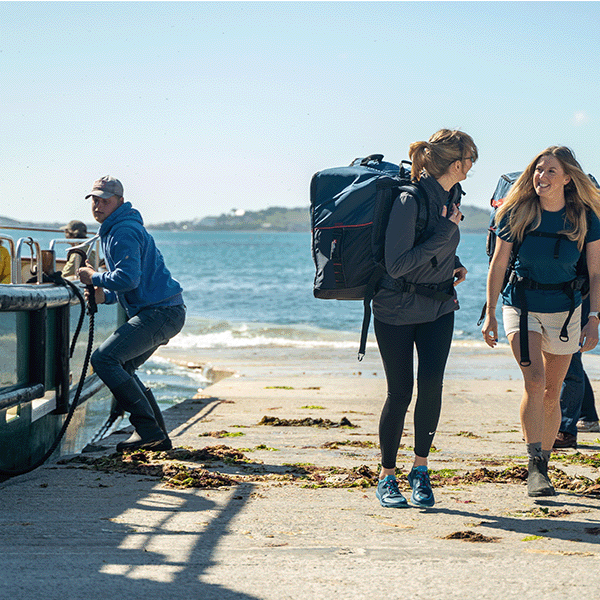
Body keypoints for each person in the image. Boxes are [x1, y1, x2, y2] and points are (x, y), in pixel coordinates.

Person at [482, 146, 600, 497]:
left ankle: (544, 464)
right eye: (537, 170)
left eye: (550, 171)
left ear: (567, 179)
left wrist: (593, 317)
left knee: (553, 392)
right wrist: (490, 312)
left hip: (566, 310)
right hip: (521, 305)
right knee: (534, 382)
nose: (541, 177)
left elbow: (595, 272)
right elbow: (499, 265)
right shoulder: (516, 212)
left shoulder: (585, 218)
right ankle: (534, 467)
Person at [373, 129, 477, 508]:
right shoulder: (408, 200)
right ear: (456, 164)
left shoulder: (452, 195)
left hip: (439, 307)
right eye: (470, 161)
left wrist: (457, 263)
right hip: (395, 309)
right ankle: (387, 475)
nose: (471, 167)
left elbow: (436, 247)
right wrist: (448, 231)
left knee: (431, 386)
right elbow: (397, 264)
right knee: (400, 393)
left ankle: (420, 470)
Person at [78, 176, 185, 452]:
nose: (98, 206)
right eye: (95, 200)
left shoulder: (122, 231)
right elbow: (131, 284)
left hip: (160, 313)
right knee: (122, 365)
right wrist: (105, 294)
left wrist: (93, 277)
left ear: (120, 202)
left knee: (104, 359)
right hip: (166, 311)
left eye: (105, 200)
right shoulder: (119, 228)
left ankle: (149, 431)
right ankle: (156, 434)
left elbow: (127, 279)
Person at [554, 296, 598, 448]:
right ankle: (587, 416)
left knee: (569, 358)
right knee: (568, 359)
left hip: (580, 292)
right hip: (567, 290)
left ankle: (565, 430)